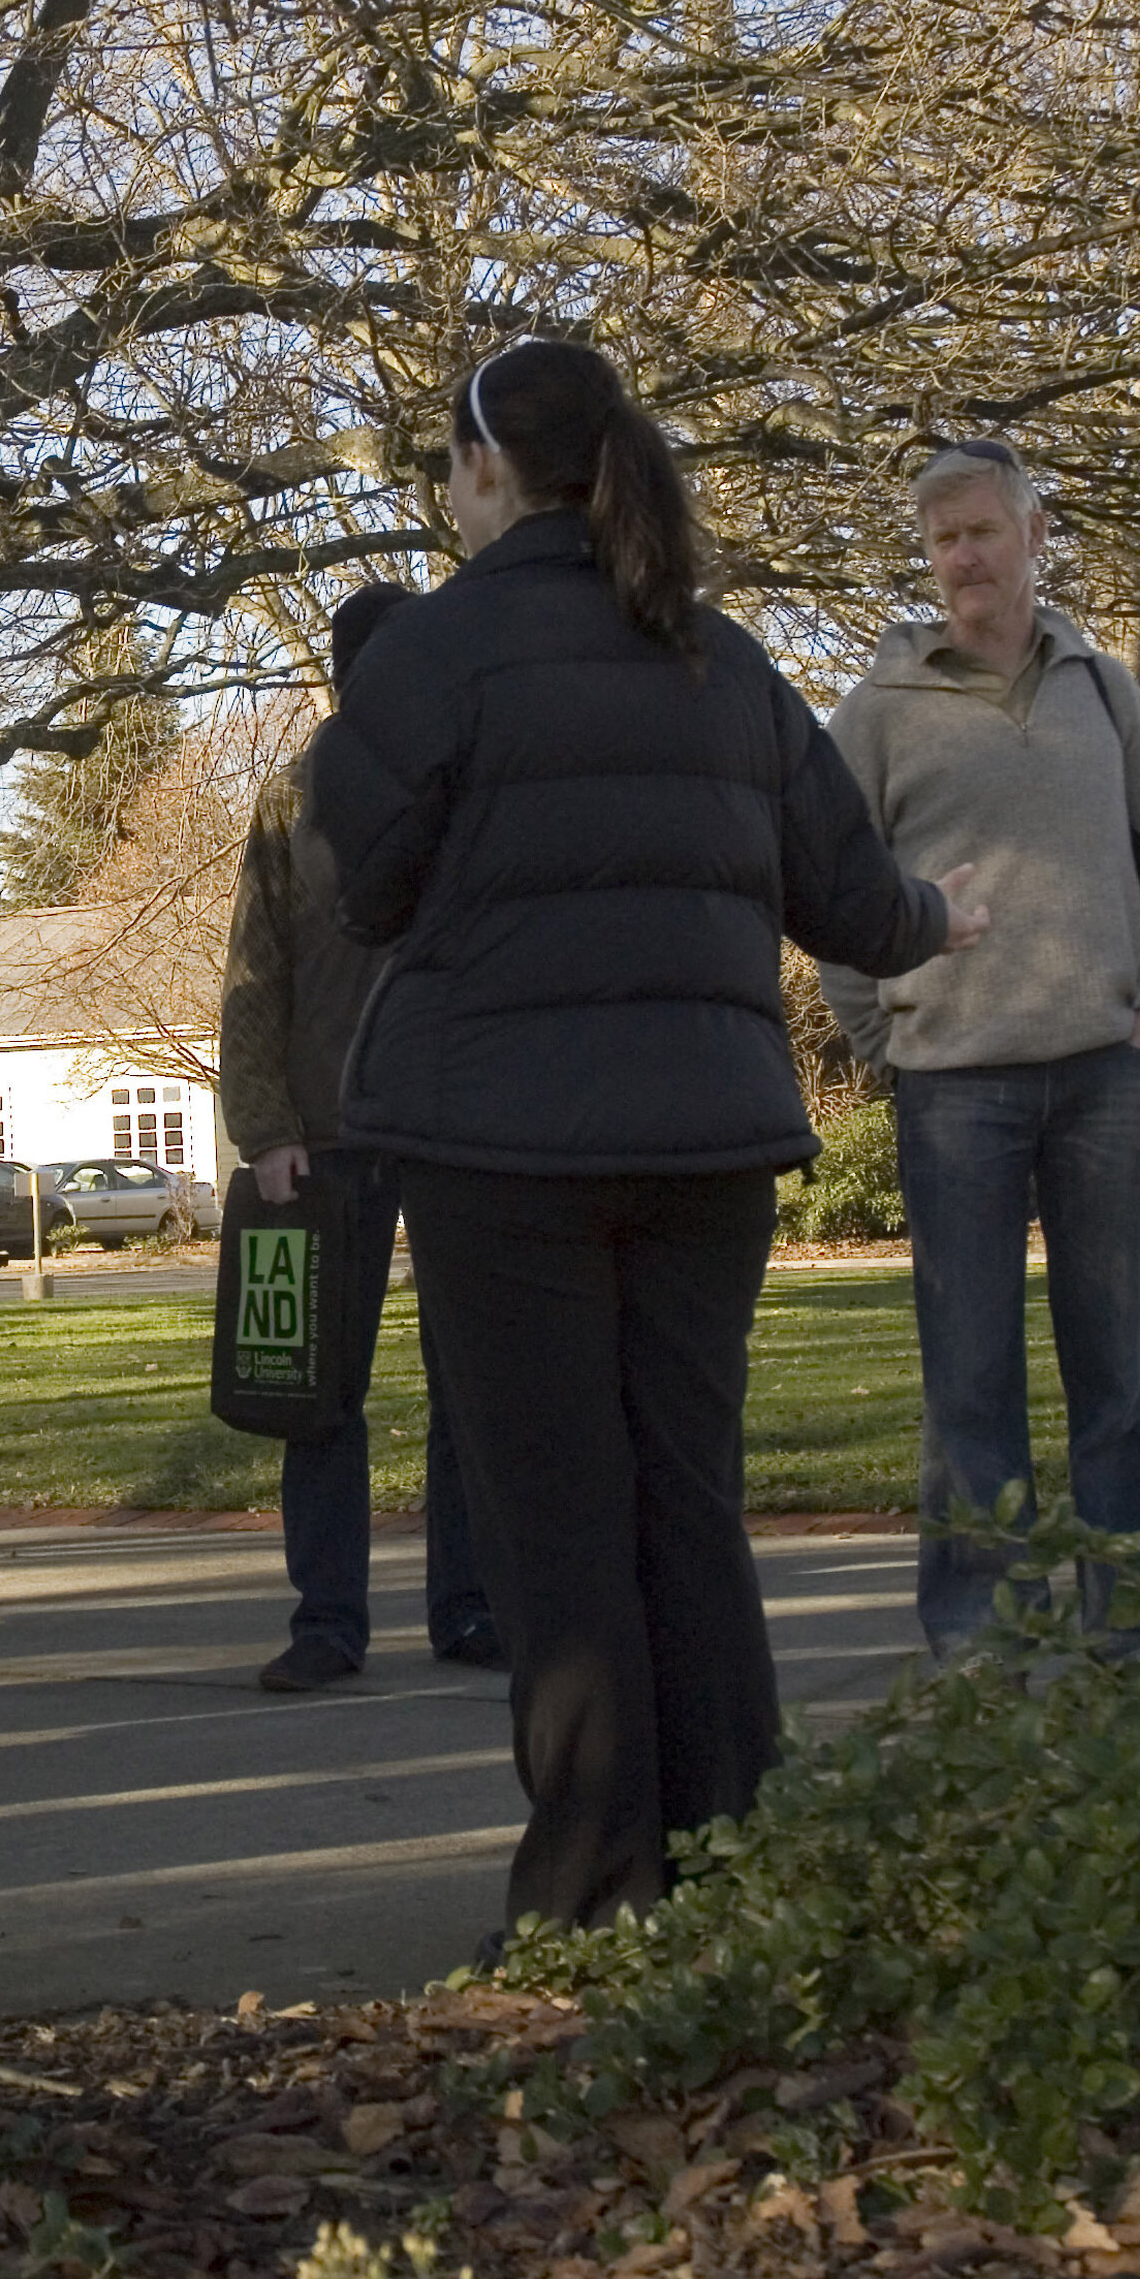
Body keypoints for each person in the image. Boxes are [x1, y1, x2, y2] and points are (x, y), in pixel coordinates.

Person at [308, 338, 980, 1932]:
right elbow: (851, 897)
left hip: (498, 1146)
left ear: (480, 468)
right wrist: (940, 914)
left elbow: (367, 881)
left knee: (557, 1524)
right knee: (686, 1495)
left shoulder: (430, 653)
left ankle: (588, 1888)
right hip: (701, 1140)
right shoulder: (721, 659)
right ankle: (734, 1864)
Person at [817, 440, 1140, 1655]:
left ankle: (1124, 1621)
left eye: (983, 532)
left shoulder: (1103, 687)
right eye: (942, 542)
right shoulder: (880, 711)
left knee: (1117, 1384)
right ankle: (982, 1643)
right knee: (971, 1388)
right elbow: (821, 880)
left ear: (1037, 534)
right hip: (954, 1089)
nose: (963, 559)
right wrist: (882, 1027)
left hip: (1106, 1076)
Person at [218, 584, 498, 1693]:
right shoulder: (292, 799)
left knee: (470, 1383)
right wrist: (265, 1129)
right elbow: (253, 973)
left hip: (456, 1132)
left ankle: (470, 1609)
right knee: (318, 1392)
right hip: (323, 1140)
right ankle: (327, 1621)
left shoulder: (474, 789)